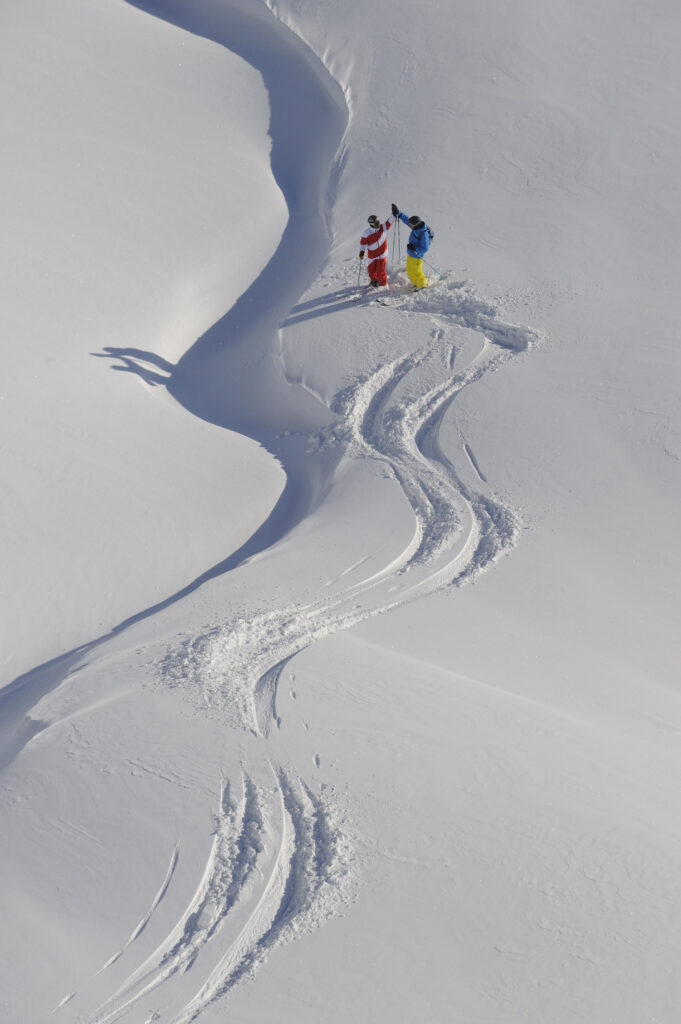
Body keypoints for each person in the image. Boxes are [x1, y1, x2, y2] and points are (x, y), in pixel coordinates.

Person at [391, 203, 433, 288]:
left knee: (417, 272)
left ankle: (422, 285)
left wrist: (414, 248)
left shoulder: (423, 233)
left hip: (417, 255)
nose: (410, 226)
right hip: (411, 253)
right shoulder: (416, 227)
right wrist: (399, 213)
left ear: (416, 224)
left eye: (412, 225)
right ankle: (416, 283)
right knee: (410, 271)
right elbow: (407, 220)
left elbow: (425, 248)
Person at [359, 212, 394, 287]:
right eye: (376, 223)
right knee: (371, 270)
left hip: (382, 255)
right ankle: (374, 281)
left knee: (381, 271)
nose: (378, 224)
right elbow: (363, 243)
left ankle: (383, 284)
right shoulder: (366, 233)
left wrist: (393, 214)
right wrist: (362, 252)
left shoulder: (382, 228)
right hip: (372, 255)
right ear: (371, 224)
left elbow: (389, 222)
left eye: (378, 222)